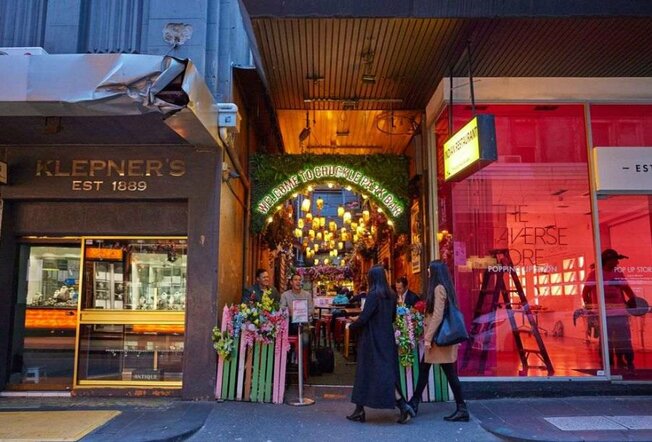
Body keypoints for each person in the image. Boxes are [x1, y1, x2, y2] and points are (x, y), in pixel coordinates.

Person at [346, 265, 415, 424]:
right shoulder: (391, 295)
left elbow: (364, 318)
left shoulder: (373, 296)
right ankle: (360, 410)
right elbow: (392, 318)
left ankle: (402, 406)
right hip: (386, 338)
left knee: (367, 373)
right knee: (384, 372)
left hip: (372, 339)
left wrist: (351, 326)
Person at [408, 260, 469, 422]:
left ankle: (462, 408)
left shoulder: (439, 288)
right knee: (425, 369)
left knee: (449, 374)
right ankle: (414, 403)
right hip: (440, 339)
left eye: (429, 269)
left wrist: (427, 338)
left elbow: (437, 315)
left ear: (435, 272)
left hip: (438, 340)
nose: (427, 271)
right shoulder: (445, 287)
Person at [581, 248, 636, 371]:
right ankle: (608, 361)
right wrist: (591, 308)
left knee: (624, 338)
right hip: (604, 313)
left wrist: (633, 300)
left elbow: (627, 289)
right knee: (607, 339)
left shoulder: (618, 273)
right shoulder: (595, 274)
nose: (617, 263)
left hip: (620, 311)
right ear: (607, 261)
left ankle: (627, 360)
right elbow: (585, 292)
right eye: (615, 260)